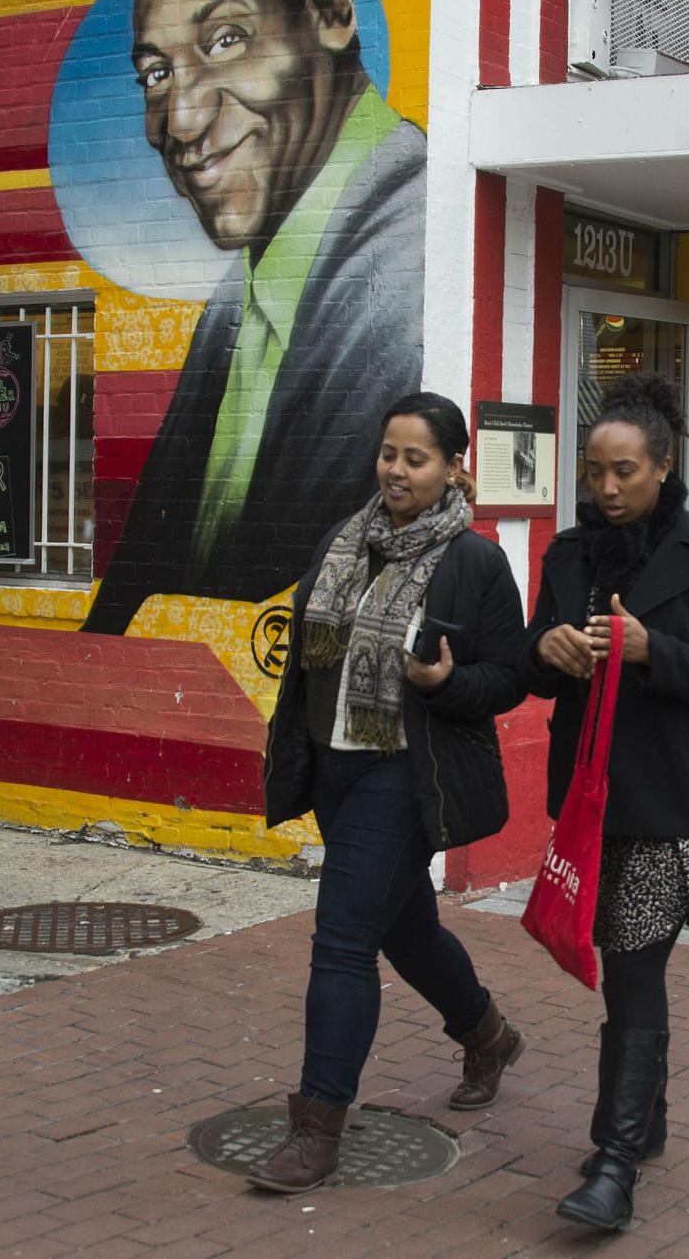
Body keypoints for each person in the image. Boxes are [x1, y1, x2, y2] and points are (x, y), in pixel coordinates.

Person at [84, 0, 426, 630]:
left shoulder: (407, 263)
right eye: (155, 74)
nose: (179, 121)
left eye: (227, 37)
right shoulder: (244, 293)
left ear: (332, 9)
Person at [248, 392, 529, 1193]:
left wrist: (445, 682)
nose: (397, 470)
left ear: (451, 470)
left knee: (341, 939)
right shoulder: (345, 538)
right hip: (335, 768)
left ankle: (316, 1127)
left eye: (417, 459)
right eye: (389, 454)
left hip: (405, 771)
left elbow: (507, 678)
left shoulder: (473, 563)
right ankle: (488, 1033)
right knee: (402, 928)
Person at [525, 373, 689, 1231]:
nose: (608, 489)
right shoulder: (569, 556)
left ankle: (615, 1164)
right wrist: (544, 647)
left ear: (663, 467)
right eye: (595, 472)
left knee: (632, 969)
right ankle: (643, 1124)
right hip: (593, 800)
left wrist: (652, 648)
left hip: (679, 803)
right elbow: (528, 665)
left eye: (625, 471)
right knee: (625, 963)